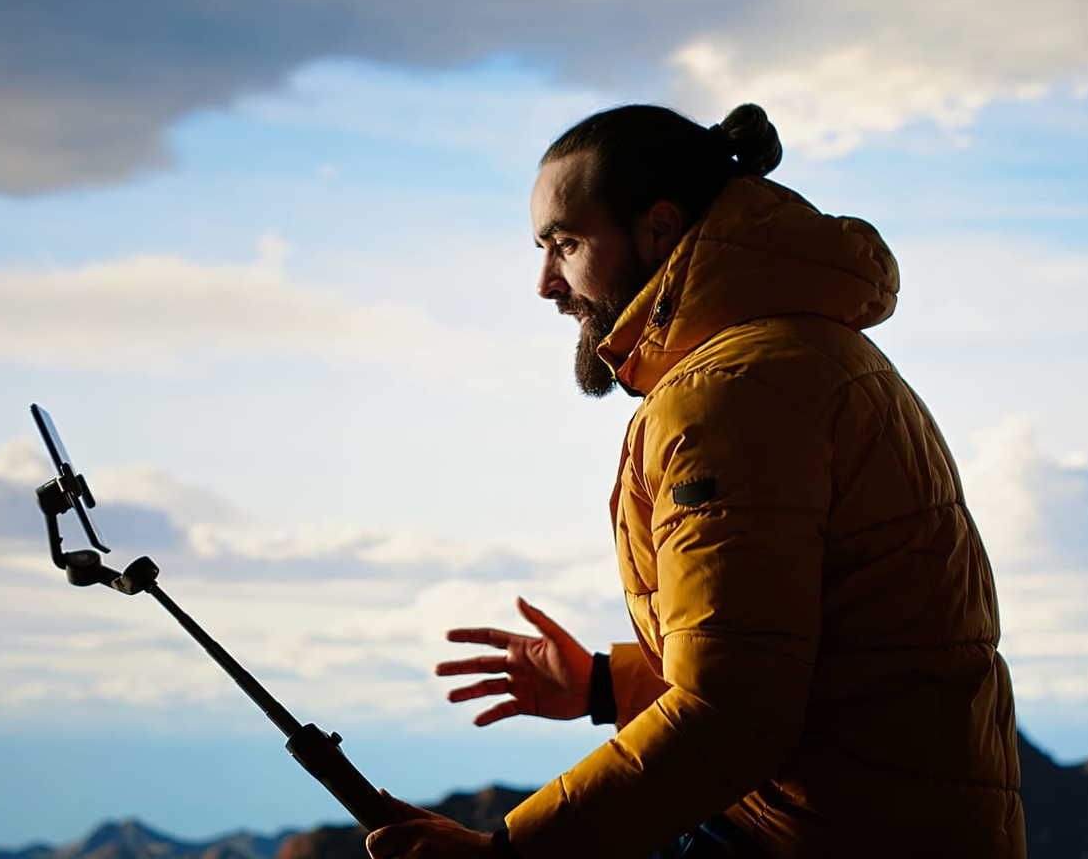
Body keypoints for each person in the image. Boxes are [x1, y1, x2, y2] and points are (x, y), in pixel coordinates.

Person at [364, 104, 1025, 858]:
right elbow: (802, 658)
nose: (547, 283)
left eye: (567, 244)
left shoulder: (731, 394)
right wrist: (604, 688)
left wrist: (509, 855)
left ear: (659, 230)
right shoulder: (807, 353)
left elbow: (736, 715)